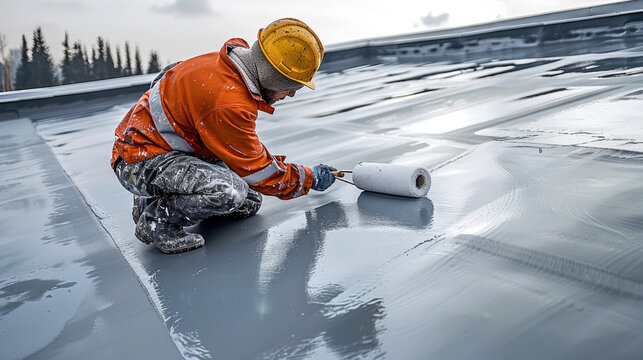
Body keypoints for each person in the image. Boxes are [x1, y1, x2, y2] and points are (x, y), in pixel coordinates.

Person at [110, 18, 336, 254]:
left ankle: (157, 195)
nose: (290, 95)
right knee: (229, 192)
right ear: (272, 77)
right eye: (290, 87)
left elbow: (166, 76)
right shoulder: (228, 102)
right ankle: (156, 222)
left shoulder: (227, 65)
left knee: (249, 202)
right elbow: (257, 171)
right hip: (139, 160)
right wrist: (307, 179)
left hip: (164, 151)